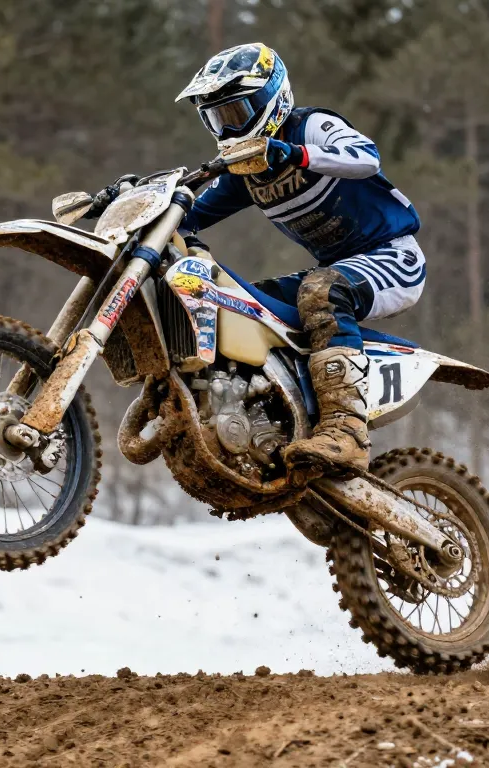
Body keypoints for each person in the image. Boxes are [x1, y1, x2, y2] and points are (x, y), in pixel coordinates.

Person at [174, 42, 425, 478]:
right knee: (244, 303)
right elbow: (188, 216)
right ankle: (273, 418)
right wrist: (139, 205)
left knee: (321, 291)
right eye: (217, 118)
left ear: (271, 99)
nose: (229, 128)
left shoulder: (311, 127)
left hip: (392, 256)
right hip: (336, 270)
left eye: (236, 112)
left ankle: (346, 430)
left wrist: (295, 154)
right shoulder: (245, 173)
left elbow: (367, 158)